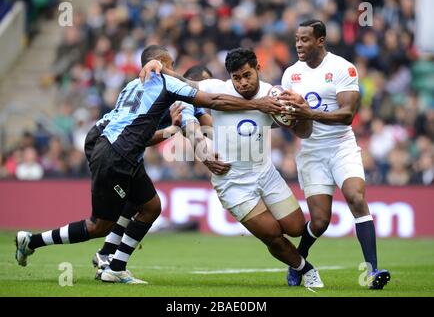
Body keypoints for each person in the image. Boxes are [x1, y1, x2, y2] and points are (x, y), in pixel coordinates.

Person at [15, 45, 283, 284]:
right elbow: (213, 100)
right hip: (116, 155)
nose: (175, 71)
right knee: (100, 225)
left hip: (112, 147)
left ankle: (115, 265)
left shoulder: (133, 86)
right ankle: (33, 241)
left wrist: (172, 130)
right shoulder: (165, 80)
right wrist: (260, 104)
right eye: (172, 66)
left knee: (149, 206)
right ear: (162, 64)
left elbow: (140, 135)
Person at [142, 48, 323, 287]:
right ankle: (304, 268)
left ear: (258, 68)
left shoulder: (275, 95)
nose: (243, 82)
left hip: (265, 172)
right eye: (236, 78)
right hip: (232, 180)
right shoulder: (218, 88)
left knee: (297, 227)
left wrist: (303, 114)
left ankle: (295, 259)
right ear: (229, 77)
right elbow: (186, 81)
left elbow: (303, 132)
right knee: (272, 235)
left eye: (247, 75)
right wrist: (159, 66)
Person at [279, 20, 390, 289]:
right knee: (319, 222)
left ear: (320, 40)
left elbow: (347, 115)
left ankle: (372, 272)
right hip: (312, 152)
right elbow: (293, 122)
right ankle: (298, 262)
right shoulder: (291, 74)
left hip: (341, 146)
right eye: (296, 39)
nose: (298, 44)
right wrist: (292, 120)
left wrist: (310, 113)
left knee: (356, 197)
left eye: (305, 39)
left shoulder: (342, 68)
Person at [90, 64, 220, 278]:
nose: (207, 90)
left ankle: (106, 253)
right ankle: (111, 261)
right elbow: (189, 127)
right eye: (205, 84)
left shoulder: (177, 96)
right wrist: (205, 155)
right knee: (143, 207)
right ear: (193, 81)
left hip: (120, 146)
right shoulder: (182, 98)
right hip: (122, 150)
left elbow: (209, 126)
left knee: (136, 202)